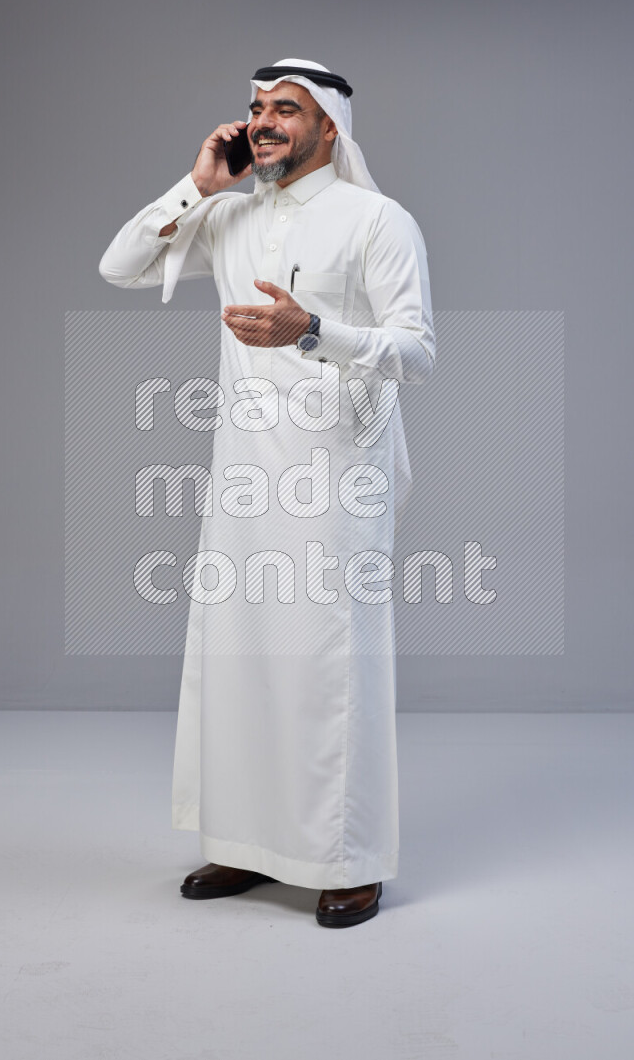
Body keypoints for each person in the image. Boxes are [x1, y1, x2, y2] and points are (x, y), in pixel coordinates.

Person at [99, 58, 435, 927]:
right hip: (245, 478)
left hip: (338, 474)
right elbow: (118, 265)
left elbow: (418, 351)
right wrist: (197, 183)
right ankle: (249, 846)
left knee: (332, 667)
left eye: (286, 108)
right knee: (240, 659)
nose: (265, 122)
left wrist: (313, 330)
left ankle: (350, 858)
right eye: (255, 108)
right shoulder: (230, 215)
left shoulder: (378, 220)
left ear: (330, 126)